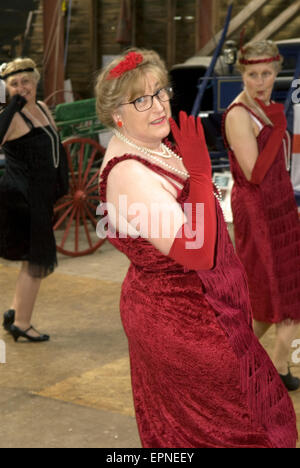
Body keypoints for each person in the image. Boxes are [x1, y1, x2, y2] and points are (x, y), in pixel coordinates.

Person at [96, 48, 297, 448]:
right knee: (230, 428)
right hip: (182, 319)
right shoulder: (129, 175)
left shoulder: (149, 145)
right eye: (141, 99)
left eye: (161, 92)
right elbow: (196, 252)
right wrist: (202, 176)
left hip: (202, 306)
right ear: (116, 114)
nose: (158, 106)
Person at [223, 40, 300, 391]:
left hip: (280, 207)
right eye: (252, 74)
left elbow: (277, 171)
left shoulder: (266, 106)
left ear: (277, 71)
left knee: (282, 296)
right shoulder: (240, 114)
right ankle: (239, 359)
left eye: (267, 73)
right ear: (242, 74)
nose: (260, 81)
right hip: (257, 213)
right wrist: (279, 128)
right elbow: (254, 172)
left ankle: (274, 365)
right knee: (274, 297)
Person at [0, 58, 69, 342]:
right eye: (14, 84)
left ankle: (16, 311)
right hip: (21, 200)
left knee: (33, 260)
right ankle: (22, 323)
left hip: (40, 197)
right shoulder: (12, 117)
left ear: (35, 81)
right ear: (7, 89)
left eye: (26, 81)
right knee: (35, 263)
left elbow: (55, 146)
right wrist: (11, 105)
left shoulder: (41, 108)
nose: (21, 88)